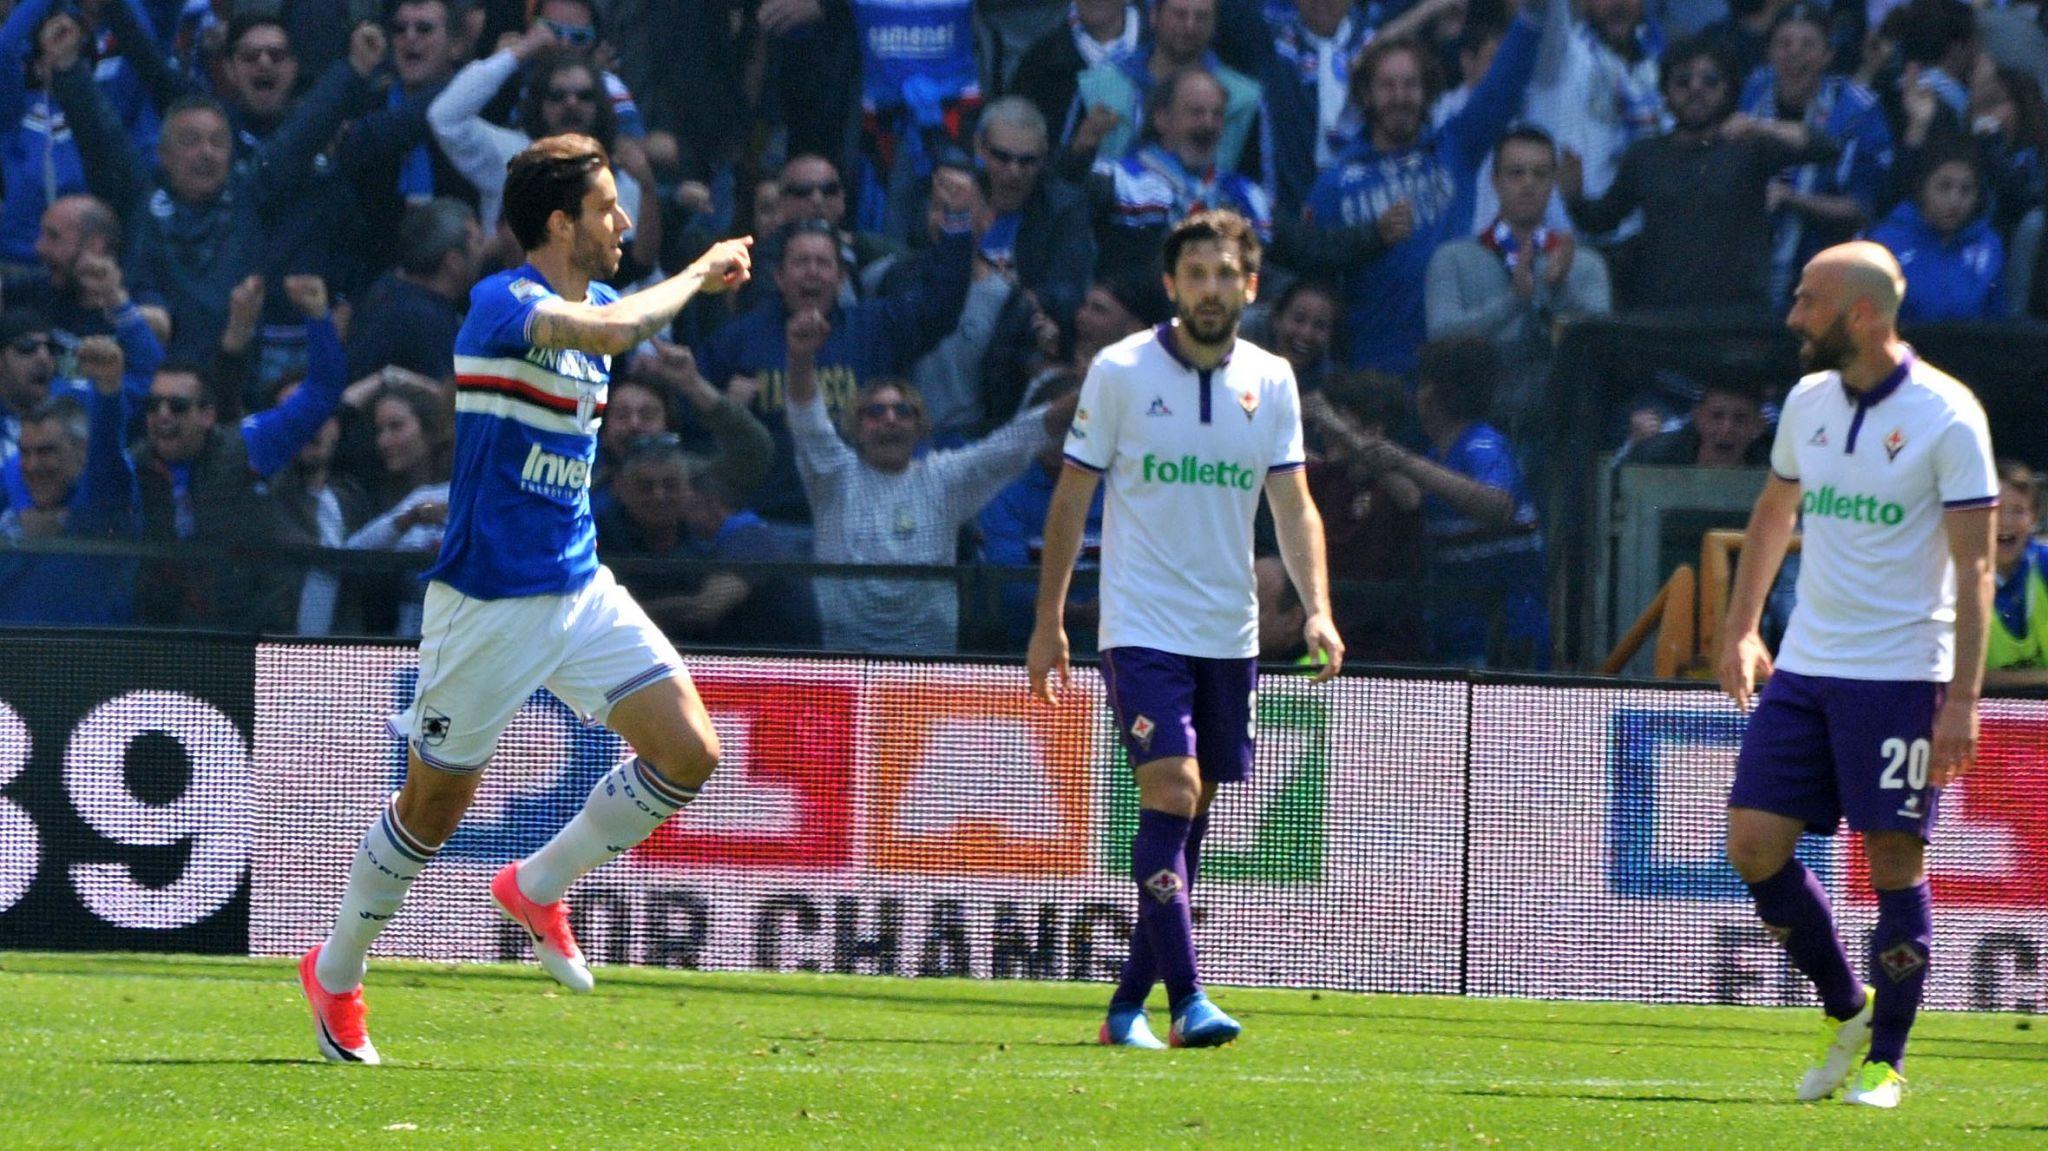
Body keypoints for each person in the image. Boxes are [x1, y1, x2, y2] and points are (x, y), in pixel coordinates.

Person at [298, 133, 754, 1065]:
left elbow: (612, 333)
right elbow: (620, 331)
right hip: (489, 603)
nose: (622, 222)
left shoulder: (586, 313)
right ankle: (336, 971)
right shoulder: (505, 303)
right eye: (606, 208)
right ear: (559, 222)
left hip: (580, 585)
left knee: (690, 750)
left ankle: (539, 883)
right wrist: (701, 272)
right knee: (432, 808)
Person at [1028, 209, 1344, 1049]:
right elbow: (1071, 497)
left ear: (1250, 284)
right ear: (1171, 285)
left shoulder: (1272, 379)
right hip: (1141, 626)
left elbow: (1293, 503)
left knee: (1188, 822)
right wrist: (1050, 619)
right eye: (1194, 274)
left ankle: (1126, 1007)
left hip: (1229, 631)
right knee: (1170, 791)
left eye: (1225, 273)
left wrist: (1315, 607)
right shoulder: (1122, 371)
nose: (1211, 288)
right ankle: (1190, 999)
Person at [1716, 240, 1997, 1110]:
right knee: (1753, 844)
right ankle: (1847, 1007)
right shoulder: (1806, 401)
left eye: (1808, 301)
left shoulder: (1950, 416)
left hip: (1903, 673)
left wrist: (1961, 699)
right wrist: (1741, 627)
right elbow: (1774, 511)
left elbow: (1976, 568)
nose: (1794, 316)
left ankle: (1887, 1060)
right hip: (1806, 663)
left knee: (1892, 860)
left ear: (1862, 315)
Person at [1863, 145, 2005, 321]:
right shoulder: (1884, 242)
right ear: (1922, 188)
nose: (1954, 201)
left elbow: (1998, 319)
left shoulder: (1989, 245)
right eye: (1944, 187)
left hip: (1967, 346)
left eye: (1966, 190)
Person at [1985, 459, 2048, 687]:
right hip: (1984, 716)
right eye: (1996, 510)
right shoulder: (1951, 581)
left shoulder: (2044, 564)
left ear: (2034, 518)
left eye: (2018, 511)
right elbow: (1958, 678)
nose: (2005, 522)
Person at [1622, 378, 1772, 467]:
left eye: (1740, 418)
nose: (1727, 429)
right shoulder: (1656, 460)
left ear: (1758, 426)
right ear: (1698, 418)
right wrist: (1634, 445)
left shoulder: (1778, 471)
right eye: (1717, 416)